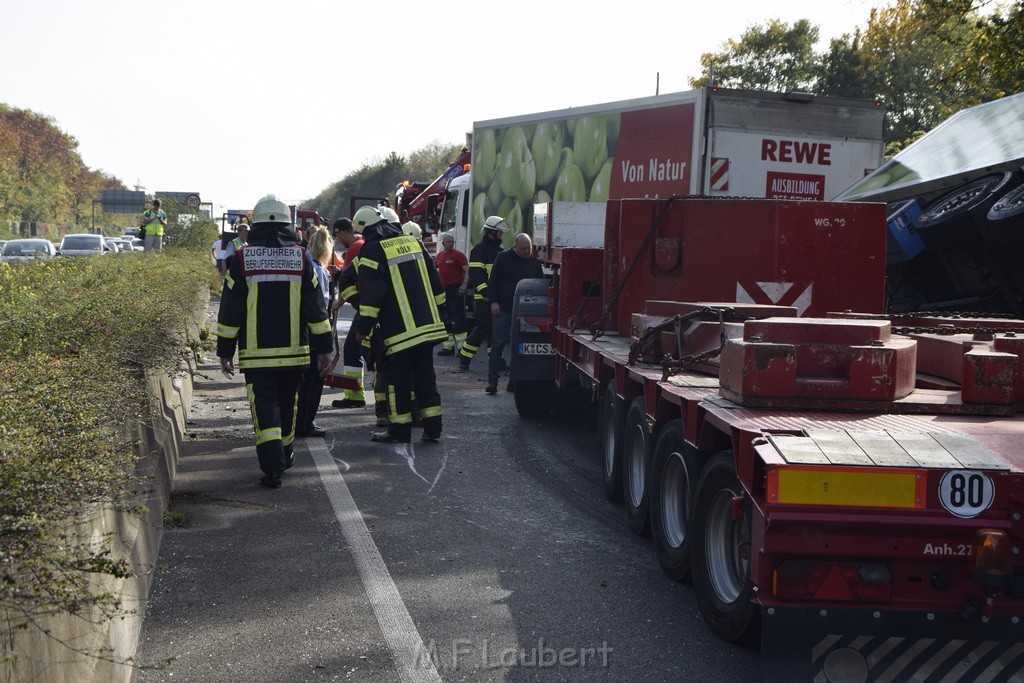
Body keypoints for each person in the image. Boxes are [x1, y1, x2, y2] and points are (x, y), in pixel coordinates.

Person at [216, 194, 333, 489]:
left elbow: (231, 309)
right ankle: (284, 453)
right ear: (287, 224)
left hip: (257, 356)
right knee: (288, 404)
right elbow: (316, 309)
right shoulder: (302, 258)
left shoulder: (241, 258)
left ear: (254, 225)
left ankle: (272, 467)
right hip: (295, 354)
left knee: (264, 407)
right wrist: (324, 349)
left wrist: (225, 350)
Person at [352, 206, 447, 443]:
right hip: (427, 327)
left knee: (398, 383)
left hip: (399, 332)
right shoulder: (413, 242)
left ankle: (399, 431)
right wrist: (442, 316)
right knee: (426, 378)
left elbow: (372, 296)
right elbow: (436, 283)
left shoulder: (372, 250)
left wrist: (363, 328)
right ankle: (433, 428)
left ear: (364, 231)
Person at [485, 233, 544, 395]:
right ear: (515, 246)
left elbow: (540, 283)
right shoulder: (503, 258)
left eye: (529, 248)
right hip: (503, 309)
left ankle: (513, 382)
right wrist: (494, 301)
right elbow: (493, 280)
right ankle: (492, 382)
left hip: (524, 314)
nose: (527, 252)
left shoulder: (533, 261)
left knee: (519, 349)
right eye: (523, 249)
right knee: (497, 347)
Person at [295, 225, 337, 437]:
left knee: (301, 382)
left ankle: (297, 422)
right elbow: (320, 308)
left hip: (299, 331)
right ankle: (305, 424)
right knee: (313, 381)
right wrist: (326, 344)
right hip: (314, 333)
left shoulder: (304, 264)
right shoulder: (319, 271)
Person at [458, 216, 507, 371]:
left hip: (495, 299)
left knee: (495, 332)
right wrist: (486, 293)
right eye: (499, 231)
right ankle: (464, 358)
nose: (501, 234)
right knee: (482, 330)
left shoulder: (499, 250)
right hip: (484, 299)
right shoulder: (479, 249)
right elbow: (476, 273)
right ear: (492, 231)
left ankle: (495, 360)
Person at [329, 217, 368, 410]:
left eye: (338, 237)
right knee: (360, 350)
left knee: (354, 349)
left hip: (365, 308)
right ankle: (356, 394)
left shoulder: (354, 248)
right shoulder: (364, 244)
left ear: (342, 234)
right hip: (370, 306)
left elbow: (348, 280)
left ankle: (355, 395)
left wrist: (339, 302)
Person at [434, 232, 468, 356]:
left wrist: (464, 285)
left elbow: (467, 271)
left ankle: (461, 348)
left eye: (452, 242)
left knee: (458, 318)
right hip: (444, 290)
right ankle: (448, 347)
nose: (451, 244)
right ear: (443, 243)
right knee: (446, 318)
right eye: (448, 242)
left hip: (456, 289)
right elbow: (436, 271)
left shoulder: (458, 255)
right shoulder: (440, 256)